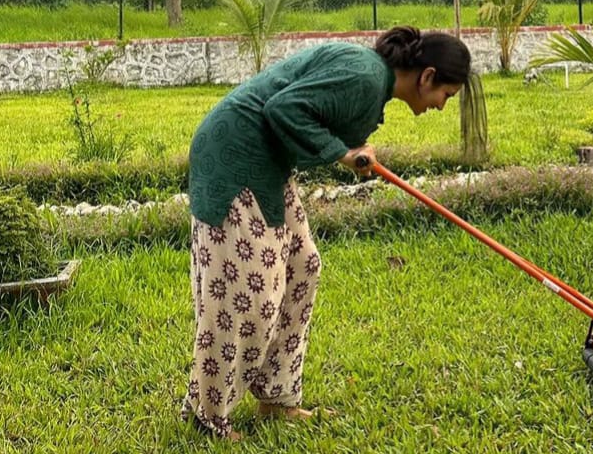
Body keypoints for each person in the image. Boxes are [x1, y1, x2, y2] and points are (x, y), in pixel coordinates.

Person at [180, 25, 471, 440]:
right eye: (447, 95)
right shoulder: (366, 76)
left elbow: (310, 116)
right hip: (234, 160)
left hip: (267, 166)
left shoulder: (373, 80)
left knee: (303, 267)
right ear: (427, 77)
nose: (443, 106)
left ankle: (275, 398)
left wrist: (350, 149)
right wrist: (344, 154)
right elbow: (283, 108)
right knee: (249, 295)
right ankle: (206, 417)